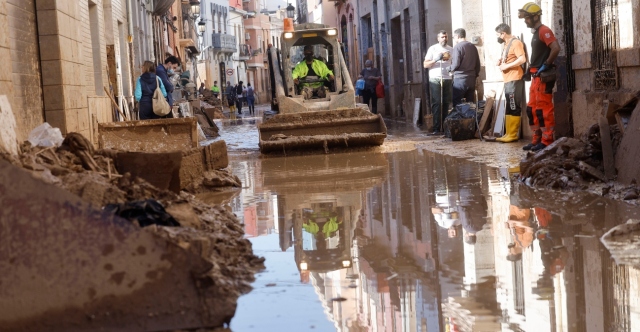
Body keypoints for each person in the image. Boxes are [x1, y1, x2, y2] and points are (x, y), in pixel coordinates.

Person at [518, 2, 561, 151]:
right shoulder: (536, 33)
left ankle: (547, 140)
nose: (525, 21)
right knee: (532, 109)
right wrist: (530, 70)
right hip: (536, 76)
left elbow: (555, 48)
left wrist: (547, 64)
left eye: (527, 18)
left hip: (542, 76)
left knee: (544, 109)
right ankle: (536, 140)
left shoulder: (544, 31)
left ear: (536, 17)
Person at [495, 23, 527, 143]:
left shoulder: (516, 43)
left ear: (503, 34)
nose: (498, 37)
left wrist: (507, 65)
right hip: (508, 79)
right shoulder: (507, 44)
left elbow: (522, 59)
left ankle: (513, 134)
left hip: (514, 78)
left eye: (498, 35)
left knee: (513, 106)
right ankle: (508, 133)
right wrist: (501, 61)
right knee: (509, 106)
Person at [424, 30, 454, 134]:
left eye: (446, 37)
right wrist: (436, 59)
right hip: (435, 77)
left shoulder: (451, 49)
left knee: (446, 103)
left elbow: (454, 63)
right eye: (442, 37)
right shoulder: (433, 48)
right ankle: (436, 128)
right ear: (438, 38)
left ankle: (445, 127)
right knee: (437, 102)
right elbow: (425, 65)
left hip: (447, 78)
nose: (444, 39)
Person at [447, 28, 481, 108]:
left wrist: (449, 68)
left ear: (457, 36)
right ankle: (471, 120)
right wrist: (475, 75)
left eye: (453, 37)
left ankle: (459, 120)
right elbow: (478, 64)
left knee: (458, 103)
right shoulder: (473, 46)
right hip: (471, 79)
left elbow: (455, 64)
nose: (454, 39)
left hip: (460, 79)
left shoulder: (458, 47)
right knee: (470, 104)